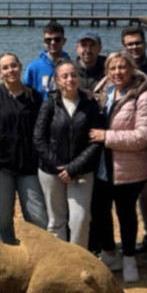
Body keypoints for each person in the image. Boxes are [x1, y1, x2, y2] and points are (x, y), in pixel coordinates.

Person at [87, 52, 147, 282]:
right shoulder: (104, 92)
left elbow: (143, 136)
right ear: (107, 71)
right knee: (99, 211)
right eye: (113, 68)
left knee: (126, 214)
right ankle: (109, 252)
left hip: (129, 167)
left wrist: (106, 136)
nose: (118, 72)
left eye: (123, 67)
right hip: (102, 166)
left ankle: (129, 259)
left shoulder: (143, 97)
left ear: (132, 69)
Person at [0, 53, 45, 245]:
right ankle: (8, 251)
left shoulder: (34, 97)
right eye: (5, 68)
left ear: (20, 67)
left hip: (29, 168)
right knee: (2, 217)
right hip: (0, 168)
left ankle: (39, 252)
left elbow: (43, 132)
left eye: (13, 66)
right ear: (0, 73)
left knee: (38, 216)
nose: (10, 70)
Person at [34, 60, 103, 247]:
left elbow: (96, 141)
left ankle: (78, 260)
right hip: (51, 172)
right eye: (64, 76)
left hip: (81, 171)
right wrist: (60, 168)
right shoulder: (50, 104)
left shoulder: (90, 104)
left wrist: (73, 168)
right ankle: (60, 263)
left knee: (80, 219)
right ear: (57, 80)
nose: (70, 79)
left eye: (73, 75)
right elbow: (39, 139)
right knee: (56, 221)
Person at [121, 25, 147, 254]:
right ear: (124, 47)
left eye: (138, 43)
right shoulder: (120, 69)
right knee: (132, 193)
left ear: (145, 44)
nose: (135, 47)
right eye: (130, 44)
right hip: (129, 140)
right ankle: (145, 234)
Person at [23, 22, 69, 99]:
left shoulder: (71, 67)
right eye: (48, 40)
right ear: (44, 42)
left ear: (64, 41)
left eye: (57, 39)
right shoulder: (33, 68)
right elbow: (26, 94)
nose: (52, 43)